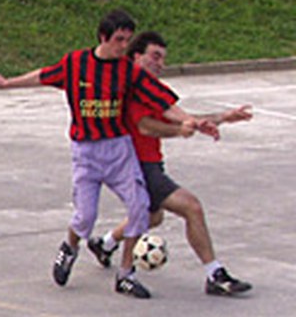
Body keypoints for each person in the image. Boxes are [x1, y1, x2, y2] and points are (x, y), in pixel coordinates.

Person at [0, 10, 214, 299]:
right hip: (86, 152)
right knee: (85, 217)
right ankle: (70, 248)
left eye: (128, 41)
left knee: (140, 208)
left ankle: (125, 274)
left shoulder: (129, 71)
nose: (123, 47)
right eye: (119, 40)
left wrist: (188, 120)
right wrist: (8, 83)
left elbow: (163, 100)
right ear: (103, 37)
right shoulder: (76, 63)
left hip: (118, 150)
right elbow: (43, 75)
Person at [87, 31, 253, 296]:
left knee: (152, 216)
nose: (160, 64)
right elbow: (146, 126)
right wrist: (181, 131)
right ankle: (215, 274)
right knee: (192, 207)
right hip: (136, 165)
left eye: (163, 59)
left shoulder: (154, 89)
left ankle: (104, 244)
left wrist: (222, 117)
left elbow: (181, 118)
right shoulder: (129, 88)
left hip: (151, 163)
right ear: (136, 56)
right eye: (155, 56)